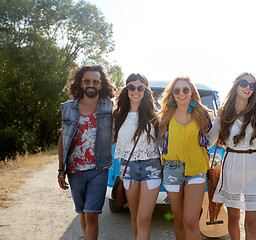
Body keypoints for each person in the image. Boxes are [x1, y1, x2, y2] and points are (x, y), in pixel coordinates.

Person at [57, 64, 116, 240]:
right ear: (81, 83)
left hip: (99, 168)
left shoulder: (109, 107)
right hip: (74, 170)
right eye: (87, 81)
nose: (91, 84)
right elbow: (63, 139)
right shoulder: (68, 108)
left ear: (101, 84)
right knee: (82, 212)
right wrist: (61, 170)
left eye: (95, 81)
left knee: (91, 215)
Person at [207, 73, 256, 240]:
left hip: (253, 165)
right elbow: (209, 140)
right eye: (244, 83)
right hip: (232, 164)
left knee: (252, 222)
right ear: (236, 85)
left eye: (252, 86)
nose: (248, 87)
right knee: (234, 218)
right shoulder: (224, 113)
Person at [158, 77, 213, 240]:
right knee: (179, 221)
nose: (181, 93)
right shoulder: (165, 115)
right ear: (172, 94)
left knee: (190, 220)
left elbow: (212, 137)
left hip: (196, 169)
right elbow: (158, 140)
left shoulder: (202, 114)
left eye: (185, 90)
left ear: (191, 92)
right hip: (171, 170)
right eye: (177, 90)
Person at [113, 73, 162, 240]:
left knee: (143, 218)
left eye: (140, 88)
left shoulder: (155, 116)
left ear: (145, 91)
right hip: (128, 168)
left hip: (151, 168)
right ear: (126, 90)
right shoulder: (118, 115)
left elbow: (166, 141)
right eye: (131, 87)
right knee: (134, 217)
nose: (135, 91)